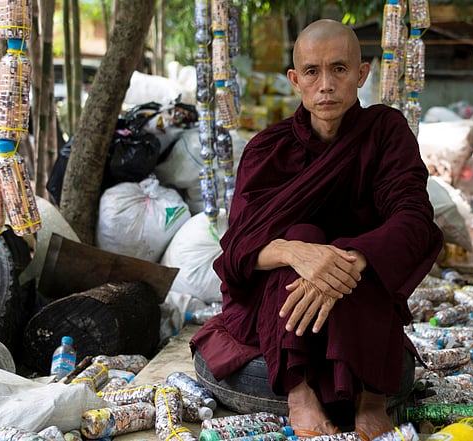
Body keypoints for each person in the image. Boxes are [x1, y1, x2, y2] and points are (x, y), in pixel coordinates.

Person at [190, 19, 443, 440]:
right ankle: (299, 391)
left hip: (359, 295)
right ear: (295, 80)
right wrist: (296, 253)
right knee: (305, 234)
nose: (325, 85)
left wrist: (347, 260)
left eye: (339, 69)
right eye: (312, 71)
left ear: (362, 74)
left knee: (360, 249)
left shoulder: (385, 133)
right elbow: (236, 250)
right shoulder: (267, 150)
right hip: (280, 305)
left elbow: (414, 219)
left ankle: (370, 397)